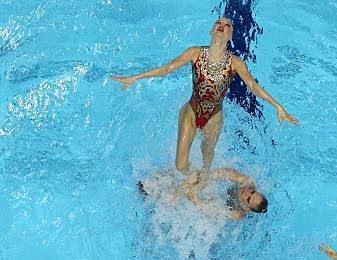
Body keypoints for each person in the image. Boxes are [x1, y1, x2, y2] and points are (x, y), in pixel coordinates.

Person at [111, 17, 299, 186]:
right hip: (191, 112)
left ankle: (204, 180)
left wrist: (278, 106)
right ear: (211, 31)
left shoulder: (235, 62)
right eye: (218, 23)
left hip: (214, 118)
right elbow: (167, 68)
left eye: (227, 25)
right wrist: (136, 77)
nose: (221, 25)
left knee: (207, 157)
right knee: (180, 165)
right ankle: (192, 177)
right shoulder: (195, 53)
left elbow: (254, 87)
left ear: (230, 36)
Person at [138, 166, 266, 220]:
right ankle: (153, 184)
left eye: (248, 199)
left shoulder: (238, 214)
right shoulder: (247, 181)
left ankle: (151, 194)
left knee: (181, 201)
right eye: (252, 192)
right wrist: (201, 184)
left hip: (220, 205)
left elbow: (211, 211)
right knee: (193, 174)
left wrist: (193, 198)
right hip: (218, 192)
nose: (246, 193)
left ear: (248, 208)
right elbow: (222, 172)